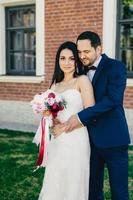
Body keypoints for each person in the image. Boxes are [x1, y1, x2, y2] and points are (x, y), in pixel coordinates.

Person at [56, 31, 130, 200]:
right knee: (92, 191)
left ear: (98, 49)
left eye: (86, 51)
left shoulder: (115, 66)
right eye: (79, 52)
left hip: (114, 140)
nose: (82, 56)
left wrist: (80, 117)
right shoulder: (80, 69)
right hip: (88, 141)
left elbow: (113, 100)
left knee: (119, 192)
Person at [38, 41, 95, 200]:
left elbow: (91, 112)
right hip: (57, 140)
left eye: (71, 58)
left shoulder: (82, 80)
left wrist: (64, 127)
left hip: (76, 139)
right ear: (58, 61)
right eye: (63, 58)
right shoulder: (55, 85)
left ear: (76, 60)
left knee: (73, 181)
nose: (67, 63)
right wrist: (48, 117)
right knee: (56, 178)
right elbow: (53, 115)